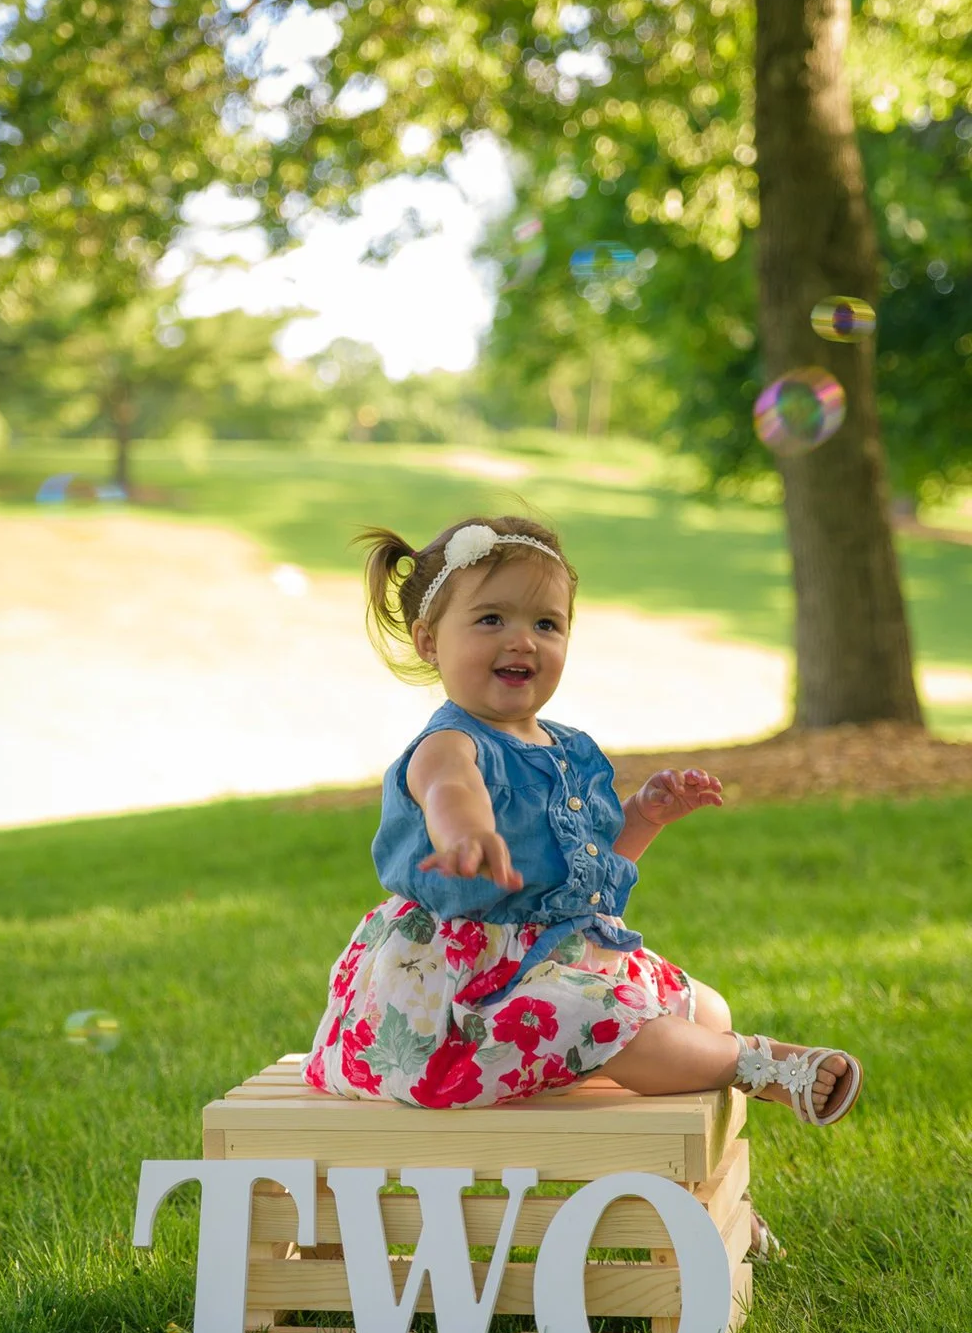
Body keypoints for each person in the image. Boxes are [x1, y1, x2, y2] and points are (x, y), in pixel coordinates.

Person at [303, 516, 863, 1261]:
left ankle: (707, 1199)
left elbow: (585, 879)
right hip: (464, 992)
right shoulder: (449, 743)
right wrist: (465, 834)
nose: (522, 641)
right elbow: (449, 789)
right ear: (430, 641)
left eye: (546, 623)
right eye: (491, 619)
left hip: (557, 956)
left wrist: (643, 818)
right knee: (609, 1019)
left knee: (701, 1007)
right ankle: (761, 1066)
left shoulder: (567, 748)